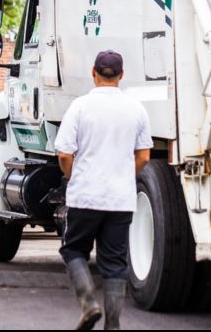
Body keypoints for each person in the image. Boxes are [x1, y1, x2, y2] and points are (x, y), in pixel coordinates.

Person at [53, 50, 153, 330]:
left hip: (85, 195)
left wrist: (73, 176)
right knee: (115, 264)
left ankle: (89, 304)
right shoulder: (136, 109)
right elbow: (144, 157)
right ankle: (113, 324)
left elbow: (64, 154)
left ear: (93, 72)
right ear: (121, 75)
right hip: (120, 201)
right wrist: (123, 177)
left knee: (74, 251)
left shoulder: (80, 106)